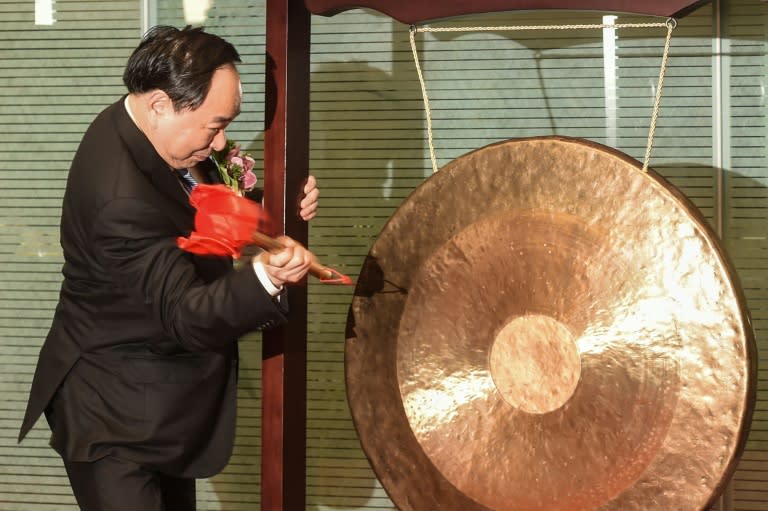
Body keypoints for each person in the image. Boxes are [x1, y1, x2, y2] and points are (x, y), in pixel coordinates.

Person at [18, 25, 318, 510]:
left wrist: (273, 208)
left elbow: (188, 211)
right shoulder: (117, 198)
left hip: (163, 395)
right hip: (113, 413)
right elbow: (187, 314)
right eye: (214, 126)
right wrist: (268, 276)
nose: (221, 145)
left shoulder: (145, 129)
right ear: (160, 104)